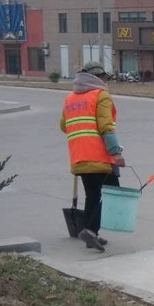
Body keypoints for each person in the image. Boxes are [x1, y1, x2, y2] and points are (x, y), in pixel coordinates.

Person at [60, 61, 125, 252]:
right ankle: (89, 230)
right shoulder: (101, 95)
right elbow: (106, 127)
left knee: (93, 194)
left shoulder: (70, 98)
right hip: (99, 156)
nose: (106, 81)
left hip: (79, 156)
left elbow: (64, 126)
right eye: (104, 78)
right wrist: (116, 152)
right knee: (112, 193)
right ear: (97, 78)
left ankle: (90, 233)